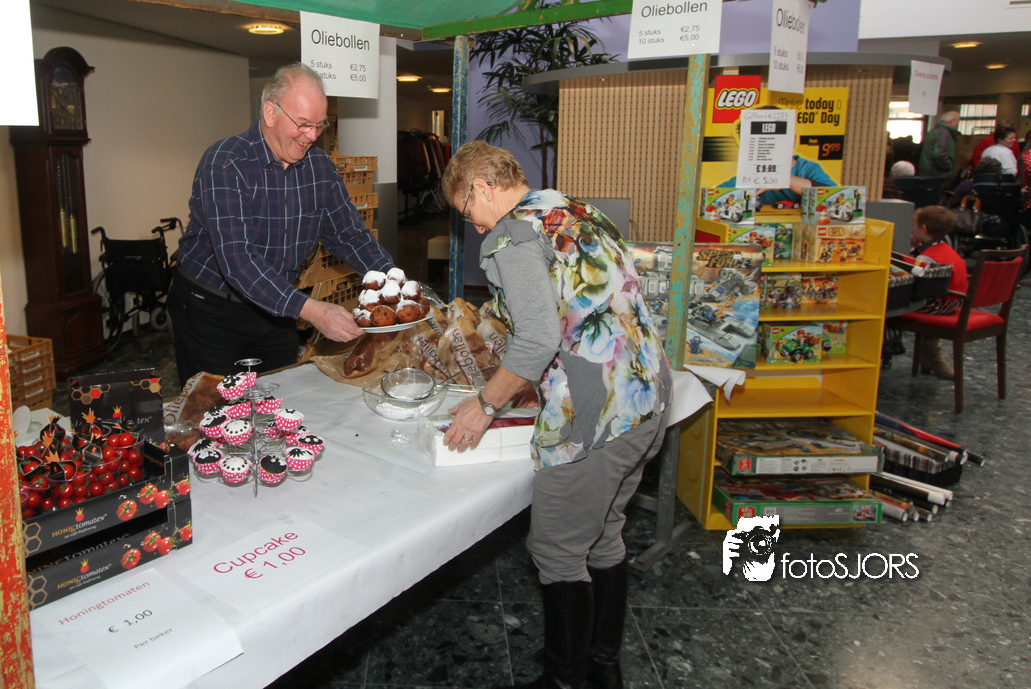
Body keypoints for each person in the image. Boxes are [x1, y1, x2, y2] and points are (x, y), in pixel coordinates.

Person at [440, 141, 670, 689]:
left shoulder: (512, 235)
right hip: (646, 397)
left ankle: (563, 682)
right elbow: (578, 309)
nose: (473, 226)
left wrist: (485, 404)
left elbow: (539, 338)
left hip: (594, 414)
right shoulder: (573, 208)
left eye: (466, 210)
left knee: (557, 552)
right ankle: (602, 670)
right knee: (604, 537)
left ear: (481, 188)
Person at [168, 62, 397, 380]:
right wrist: (314, 311)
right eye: (303, 124)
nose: (312, 136)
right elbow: (238, 261)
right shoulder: (226, 162)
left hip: (278, 307)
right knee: (215, 404)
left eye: (319, 125)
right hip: (212, 309)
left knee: (281, 395)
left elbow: (349, 235)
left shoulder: (320, 167)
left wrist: (394, 282)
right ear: (270, 113)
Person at [906, 205, 969, 380]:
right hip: (956, 300)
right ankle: (928, 357)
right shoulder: (945, 247)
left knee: (893, 305)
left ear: (924, 229)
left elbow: (916, 284)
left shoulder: (926, 257)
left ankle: (929, 354)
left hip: (939, 303)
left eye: (914, 224)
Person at [718, 154, 836, 206]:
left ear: (793, 140)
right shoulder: (755, 170)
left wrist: (783, 179)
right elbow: (716, 195)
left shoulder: (807, 169)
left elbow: (835, 195)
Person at [917, 110, 960, 178]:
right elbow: (940, 153)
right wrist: (948, 166)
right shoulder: (944, 133)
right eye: (957, 121)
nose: (957, 124)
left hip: (927, 169)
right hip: (937, 172)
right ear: (952, 121)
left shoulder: (934, 131)